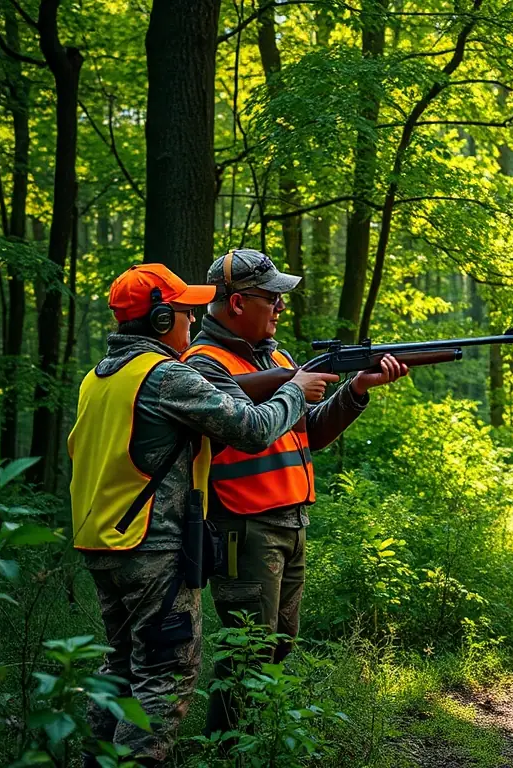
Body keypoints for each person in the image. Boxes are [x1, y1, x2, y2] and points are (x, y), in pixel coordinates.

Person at [69, 264, 332, 766]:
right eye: (186, 311)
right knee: (165, 675)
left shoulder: (99, 377)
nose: (191, 321)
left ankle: (94, 761)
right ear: (163, 317)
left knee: (122, 666)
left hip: (102, 539)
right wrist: (295, 388)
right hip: (153, 544)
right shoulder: (167, 375)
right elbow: (253, 430)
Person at [180, 249, 408, 736]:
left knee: (278, 644)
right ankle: (224, 750)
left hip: (289, 522)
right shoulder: (202, 365)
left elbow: (311, 435)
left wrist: (357, 390)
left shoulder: (280, 359)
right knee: (248, 647)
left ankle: (256, 744)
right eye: (273, 298)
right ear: (238, 303)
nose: (282, 307)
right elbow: (246, 429)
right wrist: (290, 385)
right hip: (243, 525)